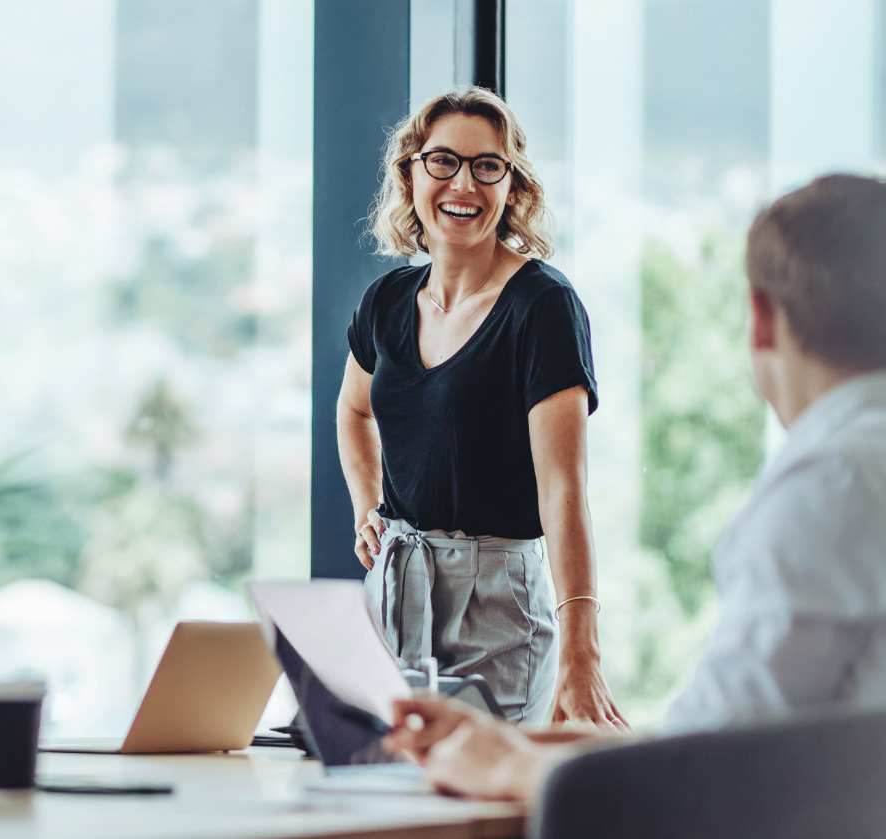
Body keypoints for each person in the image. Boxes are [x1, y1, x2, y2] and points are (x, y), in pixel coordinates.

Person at [384, 173, 886, 800]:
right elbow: (720, 734)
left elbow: (704, 775)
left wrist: (508, 768)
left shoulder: (829, 488)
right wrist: (517, 742)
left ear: (760, 319)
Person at [336, 86, 621, 726]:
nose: (463, 183)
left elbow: (564, 490)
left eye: (486, 166)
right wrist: (365, 506)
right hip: (394, 589)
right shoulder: (385, 300)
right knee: (387, 801)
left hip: (497, 603)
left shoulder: (542, 306)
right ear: (410, 174)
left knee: (481, 812)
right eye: (443, 161)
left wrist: (583, 651)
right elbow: (354, 412)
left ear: (513, 186)